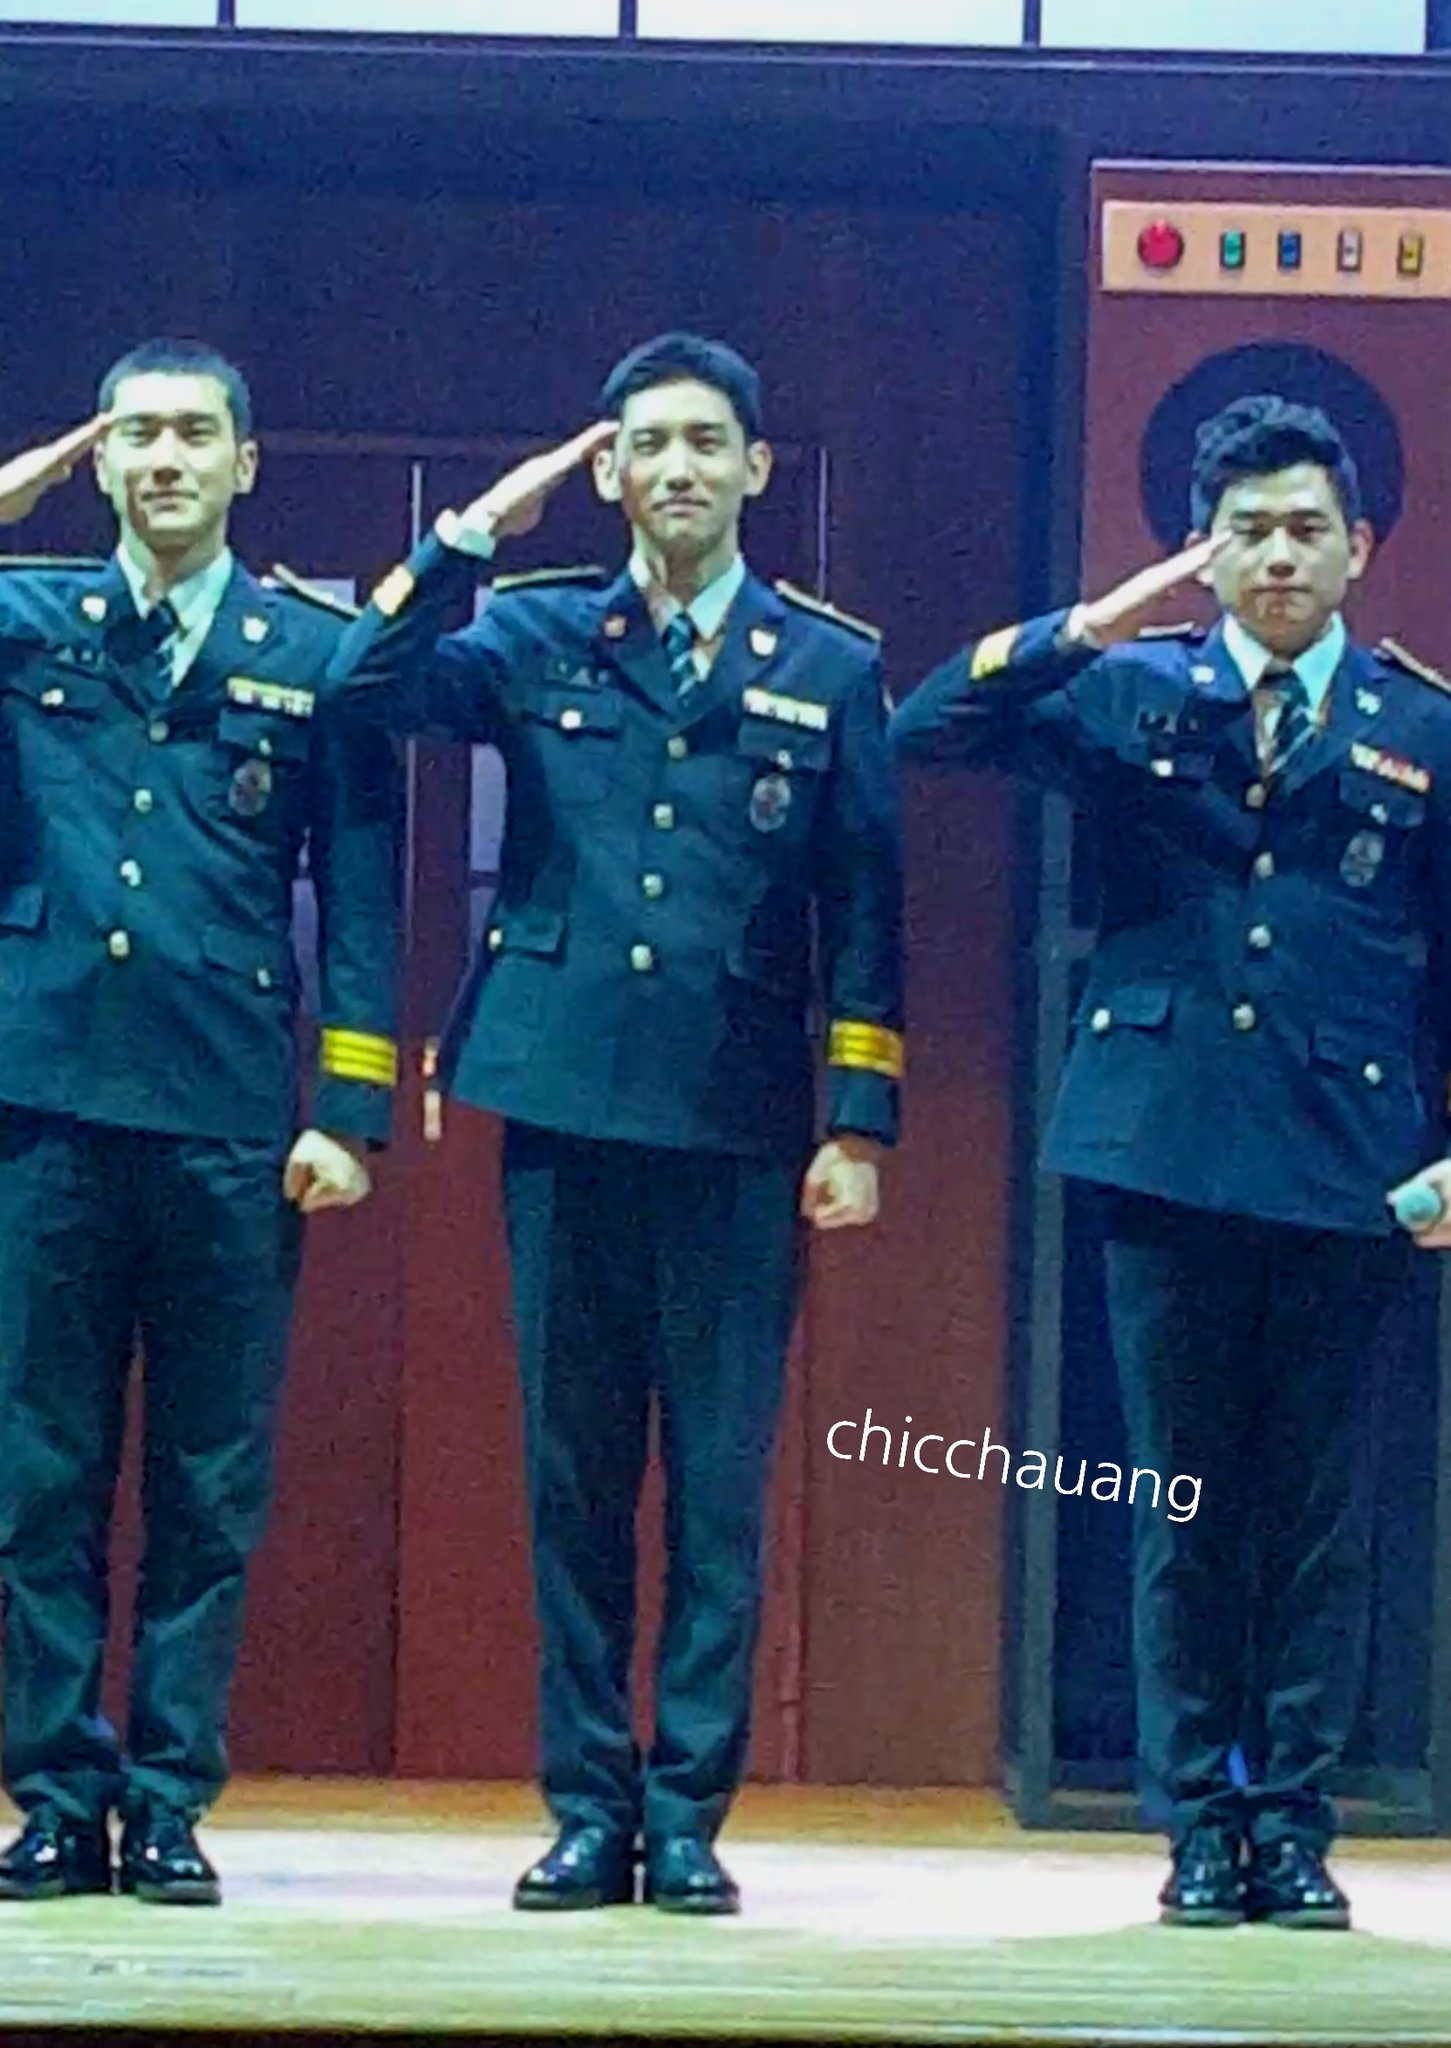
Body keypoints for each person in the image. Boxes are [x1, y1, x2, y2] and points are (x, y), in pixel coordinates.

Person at [327, 332, 903, 1914]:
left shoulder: (827, 665)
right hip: (565, 1100)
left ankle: (690, 1813)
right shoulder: (534, 630)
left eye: (706, 442)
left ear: (755, 469)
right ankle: (589, 1805)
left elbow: (867, 906)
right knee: (574, 1482)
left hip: (735, 1116)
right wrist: (470, 535)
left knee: (718, 1488)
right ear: (611, 471)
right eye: (648, 444)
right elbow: (362, 685)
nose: (678, 469)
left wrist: (857, 1120)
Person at [889, 394, 1451, 1931]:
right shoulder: (1137, 691)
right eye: (1246, 531)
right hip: (1168, 1154)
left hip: (1350, 1166)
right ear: (1207, 549)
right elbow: (929, 726)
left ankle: (1296, 1826)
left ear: (1359, 548)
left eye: (1306, 529)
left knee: (1324, 1521)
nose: (1278, 557)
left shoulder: (1420, 726)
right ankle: (1199, 1820)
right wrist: (1098, 618)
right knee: (1184, 1509)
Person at [0, 339, 402, 1906]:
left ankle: (166, 1796)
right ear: (96, 461)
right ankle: (56, 1793)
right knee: (37, 1473)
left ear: (246, 463)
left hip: (228, 1115)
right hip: (43, 1102)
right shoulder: (30, 618)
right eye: (136, 434)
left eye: (192, 434)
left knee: (207, 1480)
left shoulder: (312, 649)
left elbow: (359, 889)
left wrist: (349, 1106)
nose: (163, 458)